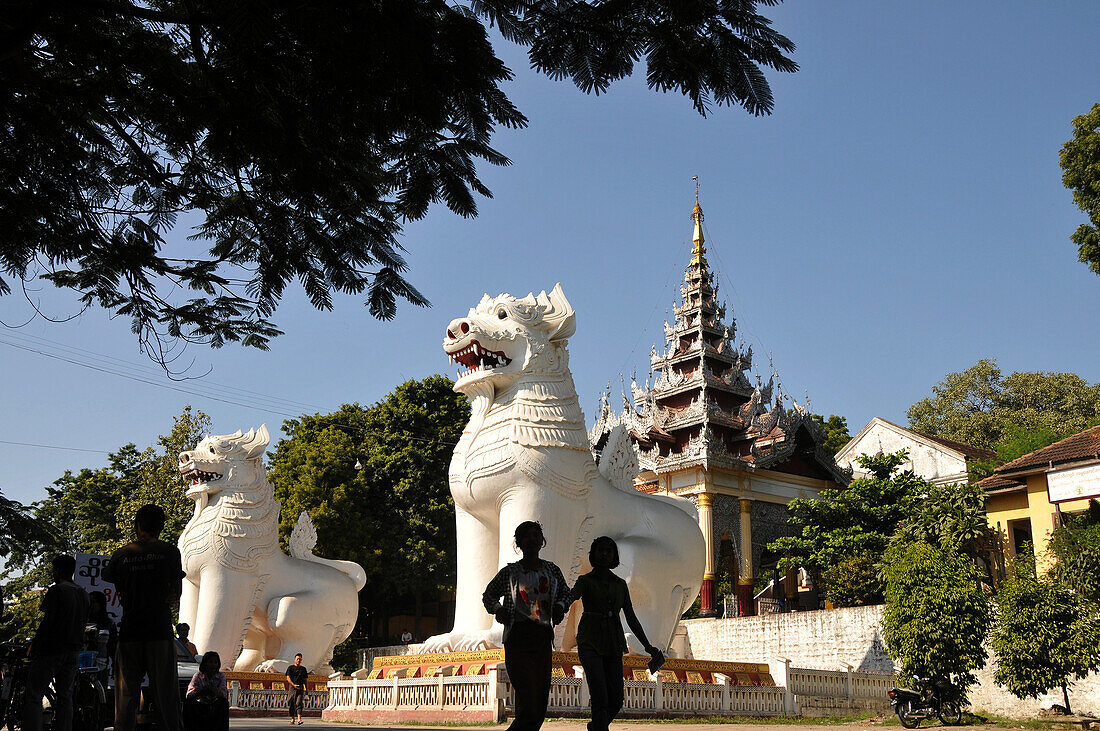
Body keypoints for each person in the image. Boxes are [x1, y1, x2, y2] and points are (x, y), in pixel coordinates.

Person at [566, 536, 664, 731]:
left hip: (613, 641)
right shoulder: (585, 581)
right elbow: (572, 596)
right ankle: (600, 727)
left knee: (616, 699)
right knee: (600, 696)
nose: (604, 554)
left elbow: (631, 617)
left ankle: (596, 726)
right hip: (590, 641)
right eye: (600, 550)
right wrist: (560, 602)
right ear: (593, 554)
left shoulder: (620, 584)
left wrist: (647, 646)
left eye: (608, 551)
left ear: (614, 556)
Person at [104, 504, 186, 731]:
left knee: (126, 699)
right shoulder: (169, 552)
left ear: (137, 525)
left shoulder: (122, 554)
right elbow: (176, 593)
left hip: (129, 632)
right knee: (166, 697)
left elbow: (113, 580)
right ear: (160, 527)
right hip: (159, 631)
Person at [482, 521, 571, 731]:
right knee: (528, 697)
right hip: (518, 637)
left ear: (542, 541)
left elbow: (566, 593)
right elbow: (489, 595)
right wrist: (498, 609)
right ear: (519, 543)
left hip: (542, 637)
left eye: (535, 535)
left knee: (539, 701)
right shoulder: (511, 572)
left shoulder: (552, 570)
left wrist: (559, 606)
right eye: (526, 536)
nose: (532, 539)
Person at [23, 554, 90, 731]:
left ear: (58, 571)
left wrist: (35, 643)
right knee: (65, 695)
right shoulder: (83, 594)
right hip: (73, 650)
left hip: (52, 649)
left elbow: (48, 622)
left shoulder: (57, 591)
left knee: (34, 694)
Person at [183, 651, 229, 731]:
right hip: (200, 705)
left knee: (224, 703)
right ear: (205, 663)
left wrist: (215, 691)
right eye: (210, 662)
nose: (213, 665)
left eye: (215, 662)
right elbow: (189, 694)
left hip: (215, 705)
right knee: (188, 703)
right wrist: (201, 692)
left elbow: (224, 693)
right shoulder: (197, 676)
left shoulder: (221, 676)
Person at [286, 652, 309, 725]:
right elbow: (288, 677)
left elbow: (305, 680)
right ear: (294, 660)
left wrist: (307, 689)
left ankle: (299, 719)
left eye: (300, 659)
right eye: (297, 659)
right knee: (291, 702)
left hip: (300, 688)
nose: (298, 660)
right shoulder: (291, 668)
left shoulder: (303, 669)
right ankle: (293, 719)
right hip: (292, 688)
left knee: (299, 702)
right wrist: (293, 684)